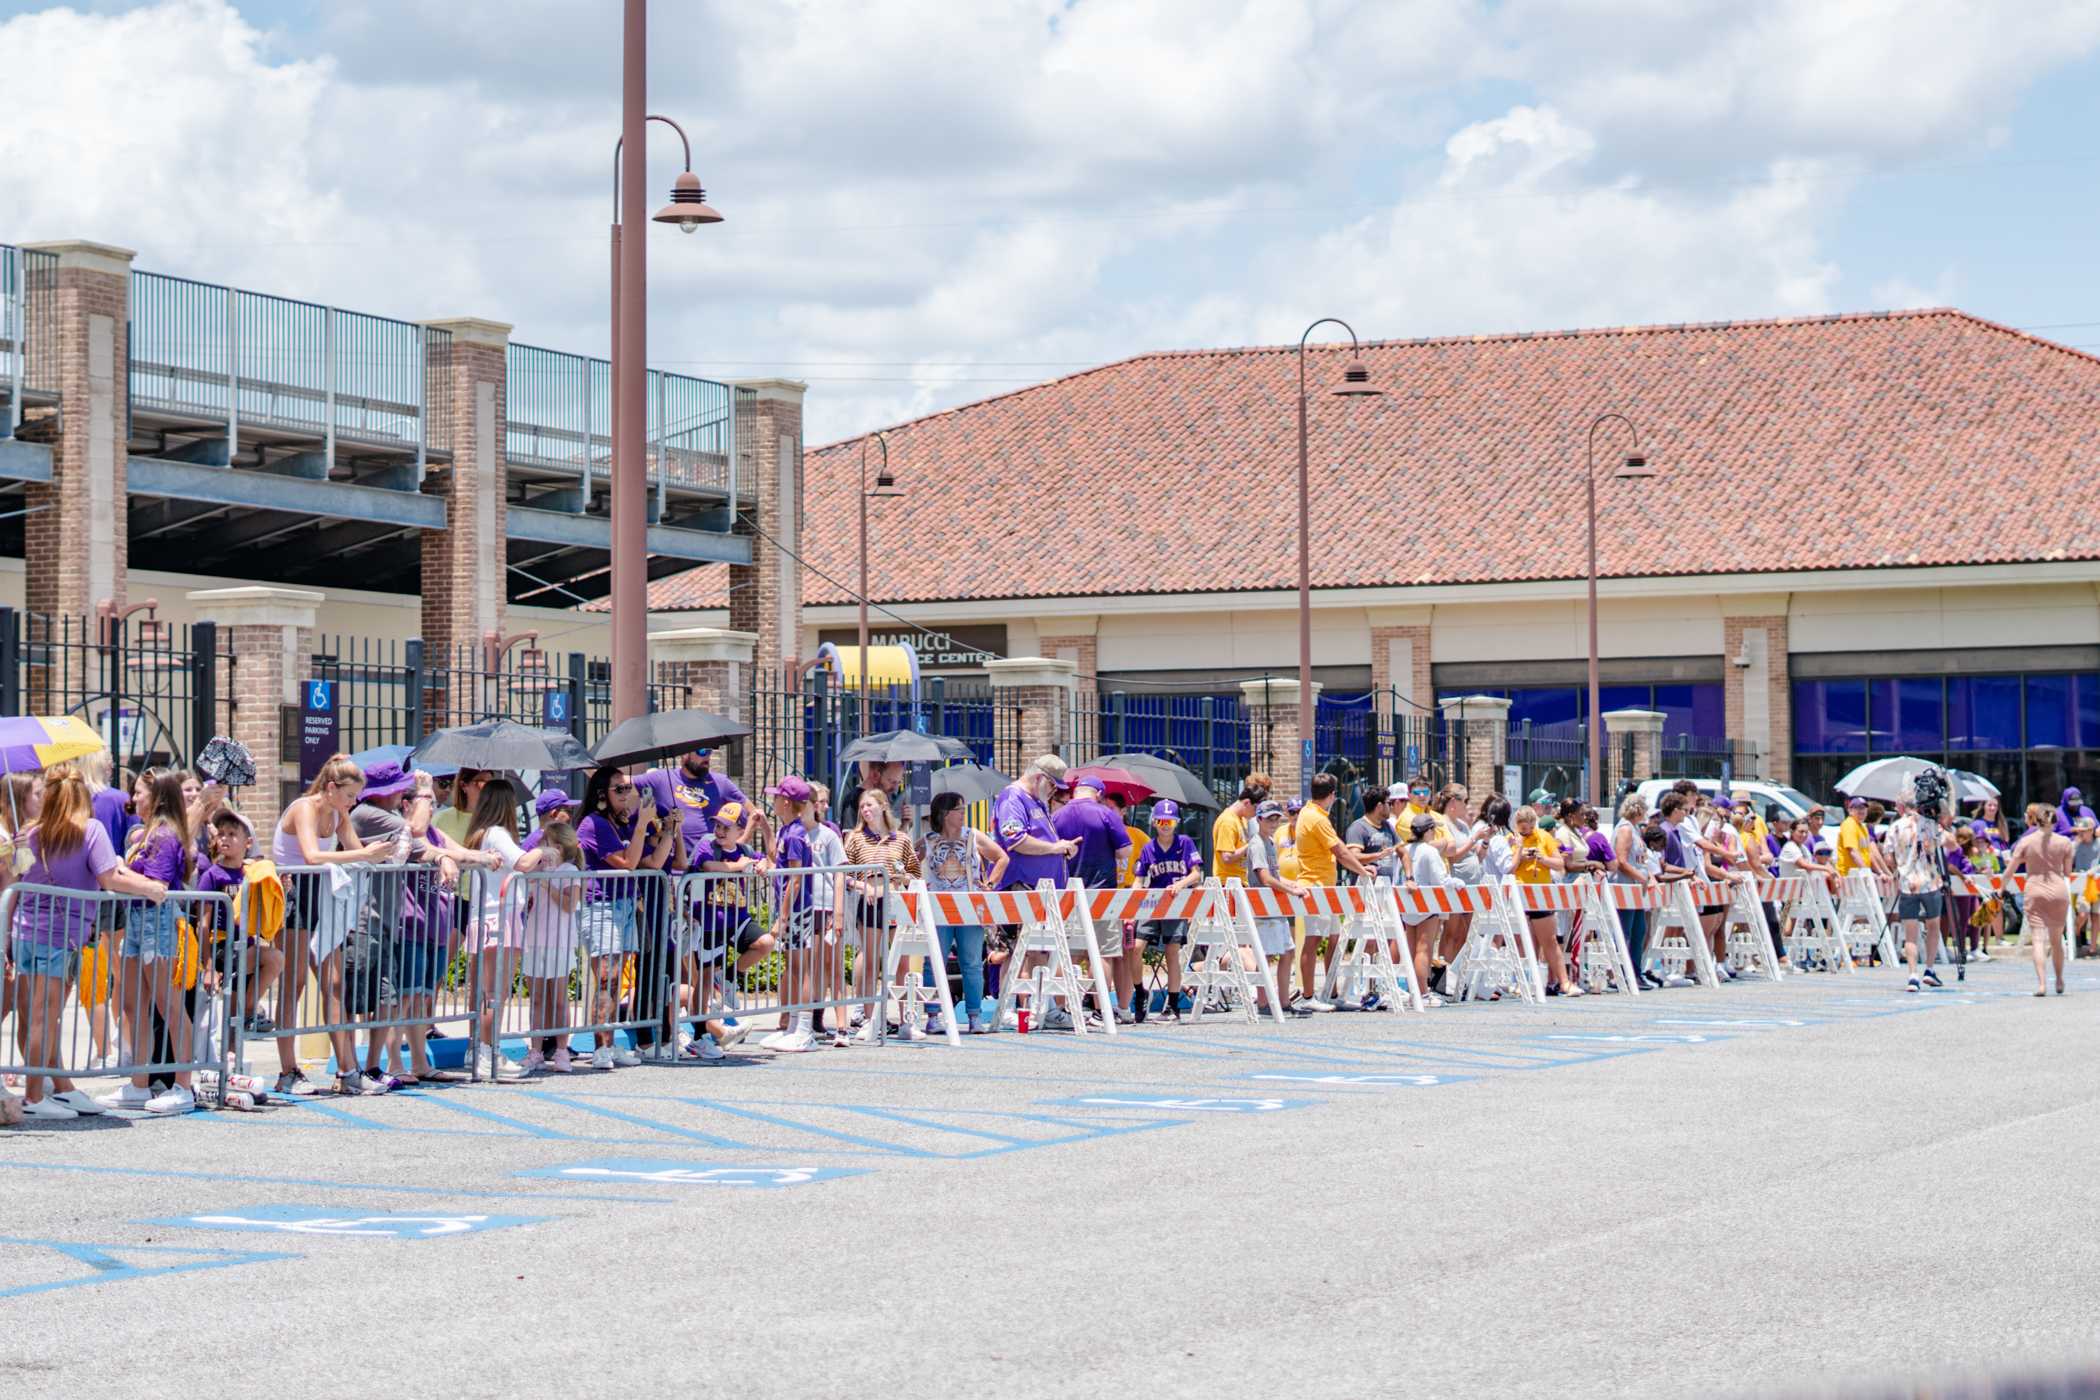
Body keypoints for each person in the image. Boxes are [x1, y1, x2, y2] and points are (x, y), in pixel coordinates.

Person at [10, 765, 173, 1119]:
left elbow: (14, 878)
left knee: (38, 1017)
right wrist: (151, 888)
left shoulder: (31, 833)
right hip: (60, 935)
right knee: (44, 1016)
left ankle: (60, 1087)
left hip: (26, 932)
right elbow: (109, 876)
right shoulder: (91, 830)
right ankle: (34, 1097)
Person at [349, 760, 481, 1087]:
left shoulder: (399, 824)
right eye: (428, 800)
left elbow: (429, 847)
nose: (432, 804)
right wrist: (424, 792)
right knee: (390, 1000)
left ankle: (395, 1065)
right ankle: (375, 1066)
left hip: (403, 922)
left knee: (405, 999)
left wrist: (448, 857)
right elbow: (418, 832)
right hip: (386, 922)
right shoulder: (368, 815)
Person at [271, 754, 389, 1097]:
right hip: (294, 895)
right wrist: (364, 855)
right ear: (332, 787)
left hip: (321, 894)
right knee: (293, 985)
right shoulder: (305, 807)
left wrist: (380, 852)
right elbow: (311, 855)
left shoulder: (339, 812)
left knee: (334, 982)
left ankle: (347, 1070)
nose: (353, 803)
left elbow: (355, 849)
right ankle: (288, 1071)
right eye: (350, 795)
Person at [93, 768, 199, 1114]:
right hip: (138, 922)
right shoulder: (148, 833)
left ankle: (183, 1086)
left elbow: (157, 887)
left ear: (157, 797)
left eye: (139, 792)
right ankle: (140, 1083)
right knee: (131, 1004)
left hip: (159, 924)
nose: (133, 798)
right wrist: (122, 870)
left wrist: (120, 872)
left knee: (169, 1005)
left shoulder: (164, 836)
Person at [574, 766, 675, 1070]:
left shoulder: (619, 825)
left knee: (617, 982)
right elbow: (628, 864)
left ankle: (611, 1043)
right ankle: (600, 1048)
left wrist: (669, 829)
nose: (627, 793)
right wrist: (643, 823)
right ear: (602, 794)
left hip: (624, 905)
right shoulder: (594, 824)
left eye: (627, 788)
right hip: (602, 906)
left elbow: (652, 862)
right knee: (607, 977)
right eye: (619, 789)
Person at [460, 780, 556, 1076]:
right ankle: (488, 1053)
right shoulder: (498, 833)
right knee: (495, 993)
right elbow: (524, 863)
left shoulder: (480, 834)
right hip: (499, 918)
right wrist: (544, 848)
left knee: (483, 992)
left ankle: (477, 1050)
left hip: (485, 916)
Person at [684, 801, 775, 1060]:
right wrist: (740, 866)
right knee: (703, 981)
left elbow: (770, 859)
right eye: (717, 825)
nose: (720, 830)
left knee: (766, 942)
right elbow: (709, 867)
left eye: (726, 826)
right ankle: (700, 1036)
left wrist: (764, 854)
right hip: (711, 922)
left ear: (739, 830)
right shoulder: (708, 846)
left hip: (738, 919)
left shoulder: (744, 849)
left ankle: (729, 976)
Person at [919, 790, 1007, 1035]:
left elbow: (1001, 858)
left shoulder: (973, 836)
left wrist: (988, 884)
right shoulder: (929, 839)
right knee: (934, 962)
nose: (963, 814)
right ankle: (933, 1015)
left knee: (971, 963)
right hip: (939, 906)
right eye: (959, 809)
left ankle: (974, 1016)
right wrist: (916, 881)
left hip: (969, 906)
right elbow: (910, 861)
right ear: (945, 813)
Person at [193, 809, 285, 1040]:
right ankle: (248, 1011)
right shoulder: (212, 876)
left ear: (248, 842)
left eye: (232, 834)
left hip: (246, 945)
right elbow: (202, 925)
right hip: (222, 948)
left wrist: (283, 887)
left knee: (234, 1013)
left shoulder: (252, 872)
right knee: (274, 957)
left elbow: (268, 899)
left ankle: (241, 1026)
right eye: (221, 833)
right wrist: (208, 966)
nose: (225, 838)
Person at [1292, 772, 1374, 1013]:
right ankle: (1308, 996)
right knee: (1313, 940)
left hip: (1324, 886)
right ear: (1331, 795)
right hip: (1314, 885)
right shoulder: (1317, 818)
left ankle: (1331, 992)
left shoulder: (1309, 814)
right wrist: (1362, 870)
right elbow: (1340, 851)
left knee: (1335, 938)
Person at [843, 788, 921, 1039]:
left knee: (902, 962)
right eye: (862, 806)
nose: (866, 810)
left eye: (870, 805)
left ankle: (907, 1020)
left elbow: (915, 873)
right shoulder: (855, 839)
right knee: (869, 959)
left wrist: (899, 881)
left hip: (896, 901)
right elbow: (844, 873)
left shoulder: (901, 839)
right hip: (868, 902)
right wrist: (863, 886)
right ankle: (869, 1018)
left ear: (883, 806)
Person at [1054, 773, 1132, 1020]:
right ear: (1098, 794)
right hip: (1102, 893)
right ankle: (1101, 1010)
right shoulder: (1106, 813)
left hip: (1067, 894)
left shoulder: (1057, 815)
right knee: (1103, 954)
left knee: (1067, 953)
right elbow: (1125, 851)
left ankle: (1062, 1010)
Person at [516, 816, 586, 1071]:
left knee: (558, 999)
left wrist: (546, 884)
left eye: (547, 842)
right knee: (536, 998)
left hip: (559, 941)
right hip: (535, 939)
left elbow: (570, 905)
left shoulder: (570, 871)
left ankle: (561, 1049)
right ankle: (535, 1050)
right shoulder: (537, 871)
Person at [761, 775, 823, 1052]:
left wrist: (783, 917)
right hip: (792, 909)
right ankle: (793, 1025)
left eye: (776, 797)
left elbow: (795, 879)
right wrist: (763, 827)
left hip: (798, 910)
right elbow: (777, 856)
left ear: (785, 802)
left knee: (801, 968)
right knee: (792, 967)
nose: (772, 800)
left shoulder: (796, 834)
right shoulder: (789, 830)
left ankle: (804, 1028)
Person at [1131, 799, 1202, 1019]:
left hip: (1175, 904)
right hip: (1151, 904)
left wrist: (1180, 884)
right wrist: (1133, 900)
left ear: (1177, 823)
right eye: (1161, 821)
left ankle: (1173, 1004)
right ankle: (1140, 992)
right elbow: (1138, 879)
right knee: (1135, 947)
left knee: (1172, 951)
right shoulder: (1148, 849)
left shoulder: (1185, 843)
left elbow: (1196, 873)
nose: (1165, 825)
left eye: (1170, 822)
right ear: (1153, 822)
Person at [1243, 799, 1306, 1015]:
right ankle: (1263, 1003)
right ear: (1259, 819)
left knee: (1287, 952)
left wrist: (1291, 884)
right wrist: (1291, 890)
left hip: (1274, 906)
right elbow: (1264, 877)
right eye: (1269, 818)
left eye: (1276, 818)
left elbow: (1275, 876)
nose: (1273, 822)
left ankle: (1283, 1002)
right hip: (1262, 907)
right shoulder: (1257, 844)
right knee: (1266, 955)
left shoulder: (1269, 842)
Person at [1512, 803, 1581, 996]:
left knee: (1549, 940)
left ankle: (1564, 982)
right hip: (1519, 891)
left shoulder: (1545, 837)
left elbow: (1559, 864)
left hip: (1540, 893)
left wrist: (1542, 859)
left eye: (1528, 828)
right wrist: (1520, 853)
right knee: (1523, 942)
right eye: (1522, 829)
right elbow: (1507, 866)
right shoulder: (1513, 838)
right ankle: (1524, 982)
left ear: (1534, 823)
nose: (1525, 833)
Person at [1887, 783, 1949, 995]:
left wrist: (1898, 868)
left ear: (1903, 806)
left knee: (1910, 933)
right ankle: (1929, 969)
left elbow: (1889, 857)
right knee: (1933, 925)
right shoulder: (1931, 824)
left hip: (1907, 884)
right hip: (1930, 881)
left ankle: (1912, 974)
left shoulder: (1895, 827)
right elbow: (1949, 841)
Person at [2007, 803, 2073, 996]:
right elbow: (2067, 872)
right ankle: (2059, 980)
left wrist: (2001, 888)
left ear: (2036, 820)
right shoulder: (2065, 842)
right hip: (2058, 889)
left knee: (2038, 939)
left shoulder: (2026, 842)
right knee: (2056, 940)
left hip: (2035, 889)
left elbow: (2010, 869)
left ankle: (2042, 984)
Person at [1611, 794, 1662, 988]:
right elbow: (1621, 861)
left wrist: (1649, 876)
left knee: (1639, 930)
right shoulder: (1625, 829)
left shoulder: (1634, 830)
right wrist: (1642, 877)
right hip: (1625, 886)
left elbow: (1640, 860)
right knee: (1625, 930)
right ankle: (1622, 973)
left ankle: (1635, 971)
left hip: (1636, 889)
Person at [1401, 813, 1451, 1008]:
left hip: (1408, 904)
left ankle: (1415, 990)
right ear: (1429, 831)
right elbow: (1441, 880)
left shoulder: (1405, 849)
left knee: (1413, 950)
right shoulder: (1429, 851)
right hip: (1427, 904)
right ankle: (1422, 992)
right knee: (1424, 949)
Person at [1212, 784, 1264, 887]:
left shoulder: (1241, 820)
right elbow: (1227, 857)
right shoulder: (1227, 821)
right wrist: (1250, 845)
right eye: (1255, 809)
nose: (1256, 813)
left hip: (1239, 882)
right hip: (1226, 884)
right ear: (1247, 803)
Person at [1346, 788, 1398, 888]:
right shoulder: (1358, 828)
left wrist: (1409, 877)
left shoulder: (1388, 826)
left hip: (1386, 890)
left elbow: (1402, 851)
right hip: (1364, 891)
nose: (1391, 807)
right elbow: (1353, 857)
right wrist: (1379, 855)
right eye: (1389, 803)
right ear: (1379, 806)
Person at [431, 768, 489, 846]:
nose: (488, 789)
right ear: (463, 785)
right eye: (482, 784)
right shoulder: (440, 818)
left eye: (491, 785)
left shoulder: (497, 819)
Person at [2070, 818, 2099, 956]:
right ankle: (2075, 934)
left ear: (2091, 831)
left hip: (2097, 883)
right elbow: (2067, 856)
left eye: (2083, 831)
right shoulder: (2077, 844)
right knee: (2083, 912)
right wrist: (2075, 843)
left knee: (2096, 916)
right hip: (2081, 883)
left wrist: (2096, 869)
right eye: (2079, 831)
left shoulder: (2098, 843)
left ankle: (2093, 947)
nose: (2081, 833)